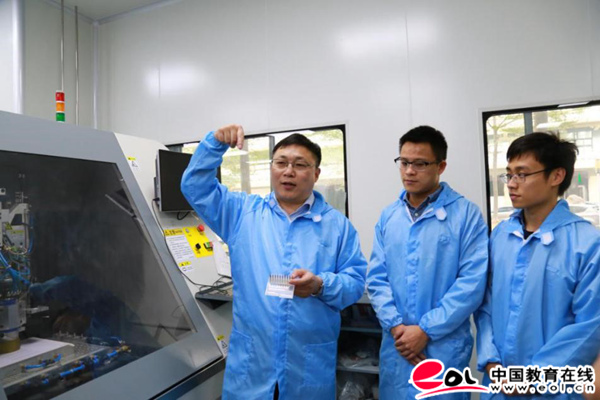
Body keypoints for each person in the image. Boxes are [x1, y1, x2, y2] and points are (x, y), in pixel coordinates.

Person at [181, 124, 367, 400]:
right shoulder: (242, 213)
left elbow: (355, 283)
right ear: (272, 168)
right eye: (281, 163)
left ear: (316, 174)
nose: (288, 171)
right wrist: (214, 145)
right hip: (253, 364)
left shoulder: (338, 226)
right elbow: (195, 188)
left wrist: (320, 285)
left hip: (307, 366)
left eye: (300, 165)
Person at [366, 125, 488, 399]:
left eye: (420, 164)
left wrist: (425, 330)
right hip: (397, 345)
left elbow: (472, 283)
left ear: (440, 166)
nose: (409, 171)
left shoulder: (466, 214)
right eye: (404, 162)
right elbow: (376, 278)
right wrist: (397, 327)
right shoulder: (389, 216)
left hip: (442, 347)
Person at [476, 132, 600, 399]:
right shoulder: (500, 236)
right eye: (509, 174)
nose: (511, 184)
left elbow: (591, 325)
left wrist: (533, 378)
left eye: (522, 174)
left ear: (556, 176)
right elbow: (485, 305)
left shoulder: (587, 243)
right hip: (498, 385)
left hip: (552, 389)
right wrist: (491, 362)